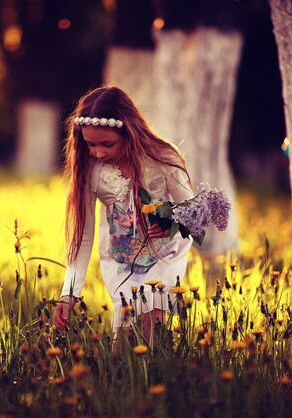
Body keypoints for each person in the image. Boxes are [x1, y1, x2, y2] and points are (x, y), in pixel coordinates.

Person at [53, 86, 194, 345]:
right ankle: (126, 378)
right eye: (90, 144)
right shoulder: (91, 170)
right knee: (128, 332)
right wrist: (69, 292)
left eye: (108, 144)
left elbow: (193, 212)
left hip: (164, 255)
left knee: (152, 319)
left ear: (130, 132)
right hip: (121, 262)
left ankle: (154, 377)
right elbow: (82, 237)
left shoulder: (161, 159)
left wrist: (172, 223)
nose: (98, 152)